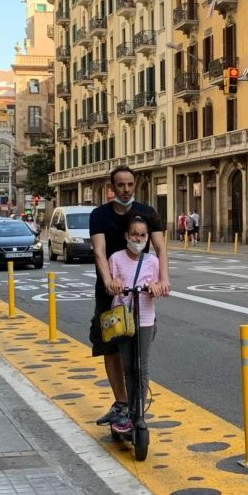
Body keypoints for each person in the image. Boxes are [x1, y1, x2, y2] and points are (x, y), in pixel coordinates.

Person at [90, 166, 170, 429]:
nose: (126, 189)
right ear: (111, 187)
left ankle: (135, 409)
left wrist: (164, 280)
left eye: (130, 184)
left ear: (135, 185)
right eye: (120, 185)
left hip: (140, 290)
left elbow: (160, 249)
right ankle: (121, 403)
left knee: (137, 352)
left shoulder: (148, 213)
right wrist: (108, 282)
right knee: (109, 346)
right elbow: (100, 253)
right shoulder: (99, 215)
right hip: (111, 288)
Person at [103, 217, 164, 433]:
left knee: (142, 366)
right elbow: (110, 286)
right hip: (122, 321)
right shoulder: (116, 258)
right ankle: (129, 412)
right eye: (134, 234)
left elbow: (159, 284)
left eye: (142, 235)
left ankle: (139, 413)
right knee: (128, 367)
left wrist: (156, 288)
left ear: (147, 238)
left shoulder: (153, 262)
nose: (138, 238)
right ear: (127, 236)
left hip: (145, 318)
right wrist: (115, 284)